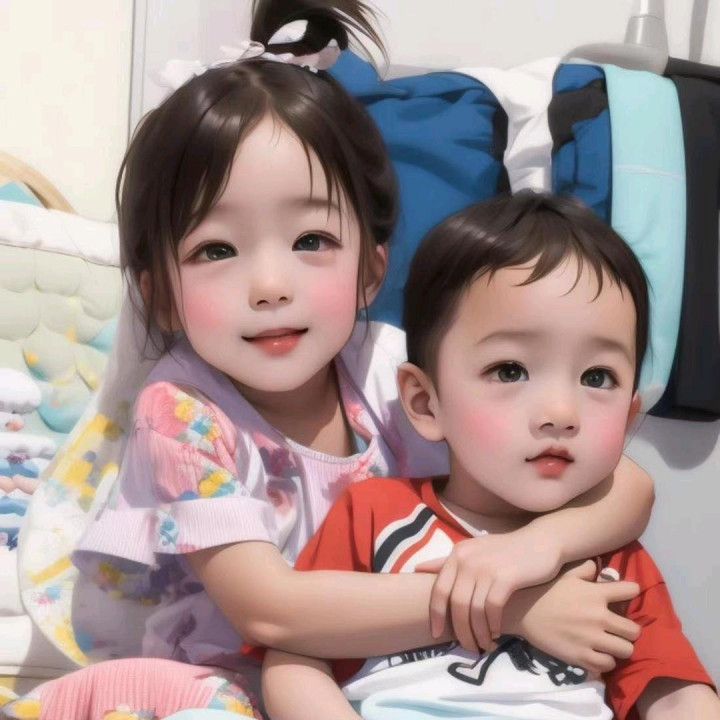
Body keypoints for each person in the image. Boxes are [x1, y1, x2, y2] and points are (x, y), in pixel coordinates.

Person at [8, 3, 653, 718]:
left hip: (388, 670)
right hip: (227, 677)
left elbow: (625, 482)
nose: (270, 285)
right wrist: (510, 606)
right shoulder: (182, 414)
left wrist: (536, 550)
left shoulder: (389, 371)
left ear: (371, 267)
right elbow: (269, 610)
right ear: (160, 294)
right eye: (216, 249)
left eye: (311, 240)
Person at [262, 193, 718, 720]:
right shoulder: (373, 515)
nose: (560, 412)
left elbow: (680, 697)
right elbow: (293, 660)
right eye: (510, 370)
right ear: (424, 402)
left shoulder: (613, 557)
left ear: (631, 412)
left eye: (597, 377)